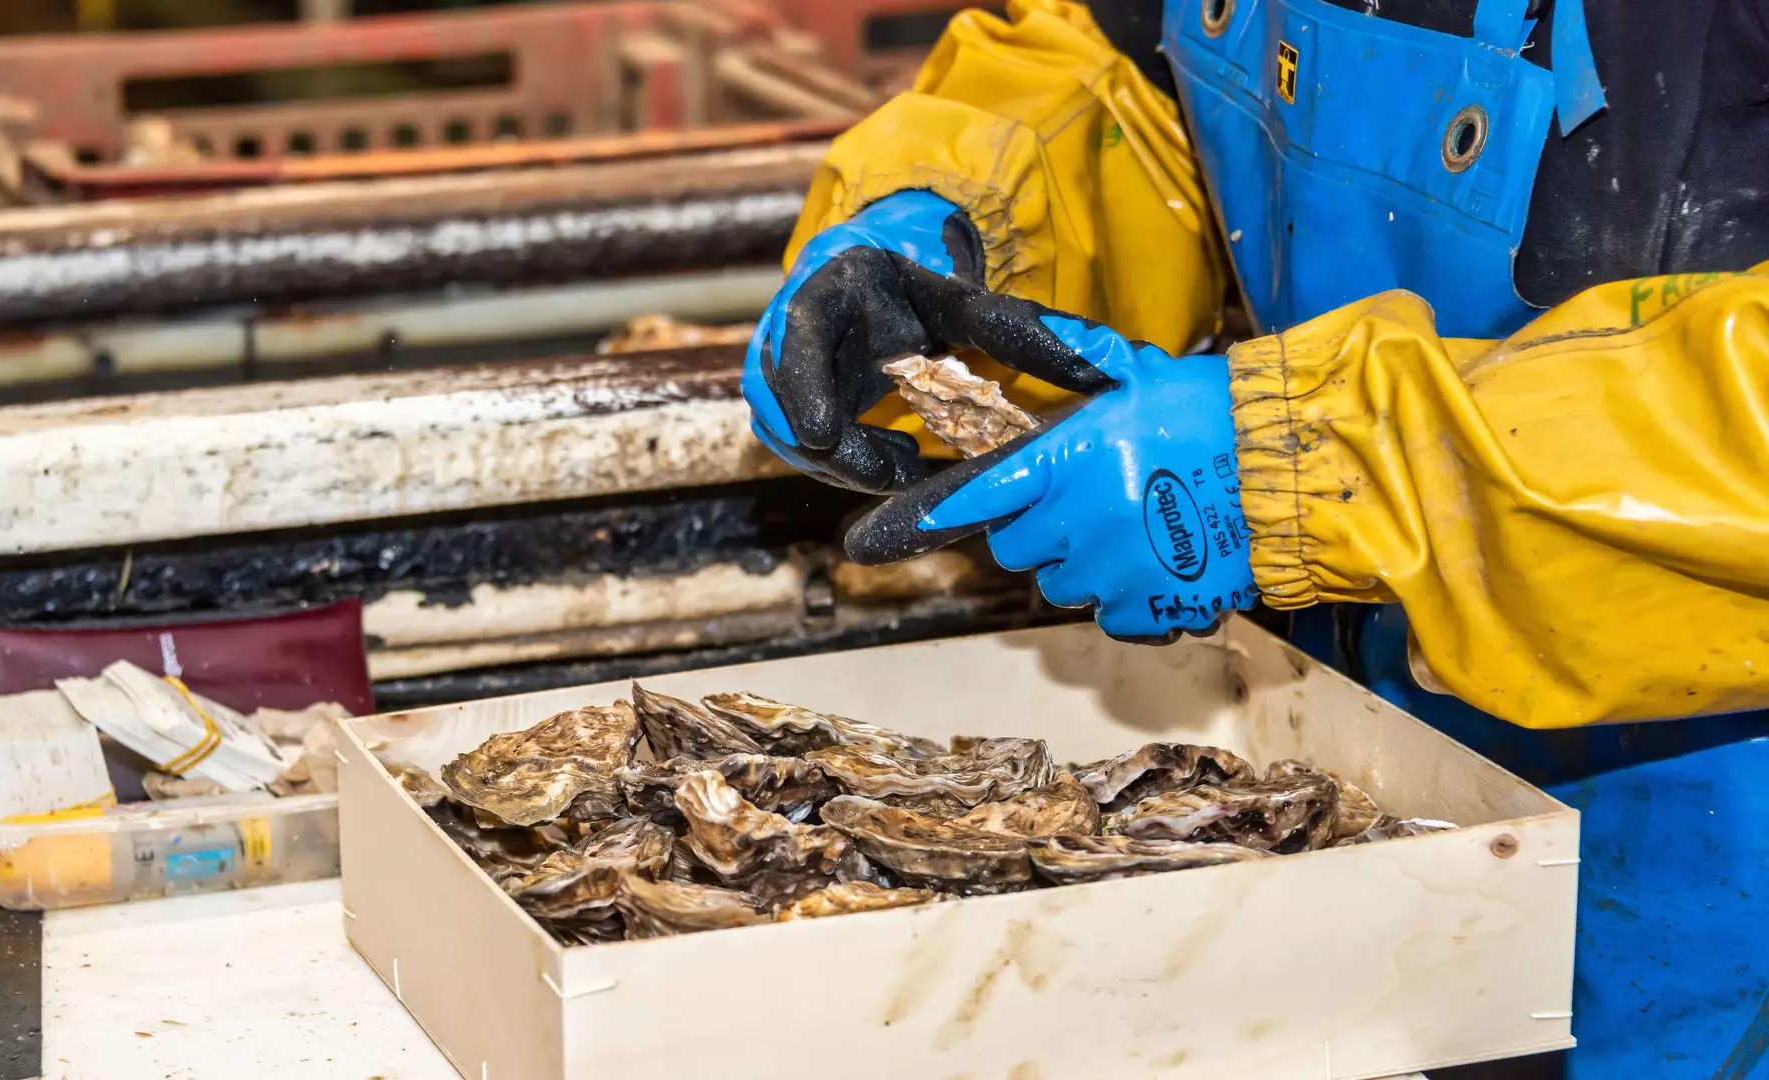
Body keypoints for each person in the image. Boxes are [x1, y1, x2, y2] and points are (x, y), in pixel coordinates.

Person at [741, 1, 1769, 1074]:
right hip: (1360, 769)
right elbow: (1138, 69)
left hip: (1720, 839)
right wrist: (964, 226)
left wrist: (1319, 467)